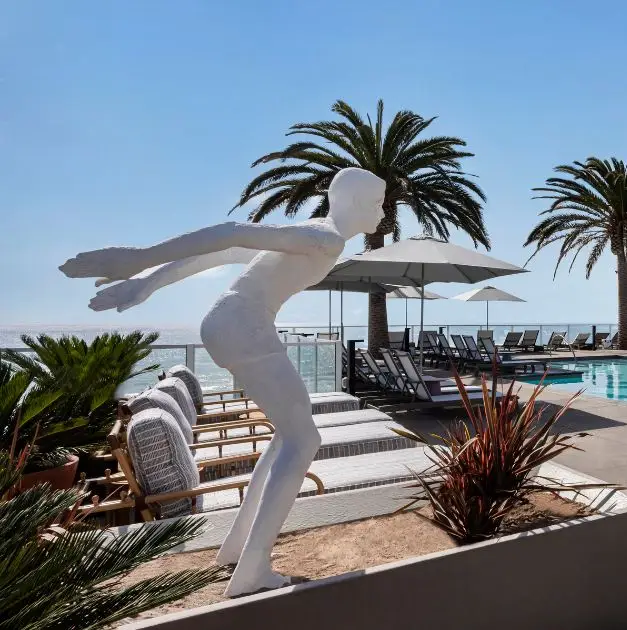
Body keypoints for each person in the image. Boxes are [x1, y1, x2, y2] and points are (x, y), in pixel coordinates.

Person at [60, 167, 385, 596]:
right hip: (244, 324)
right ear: (360, 203)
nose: (383, 213)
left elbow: (223, 254)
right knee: (303, 440)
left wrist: (148, 283)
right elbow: (232, 233)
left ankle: (237, 547)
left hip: (231, 322)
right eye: (379, 203)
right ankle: (252, 569)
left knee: (293, 429)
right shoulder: (326, 238)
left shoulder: (315, 234)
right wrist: (139, 260)